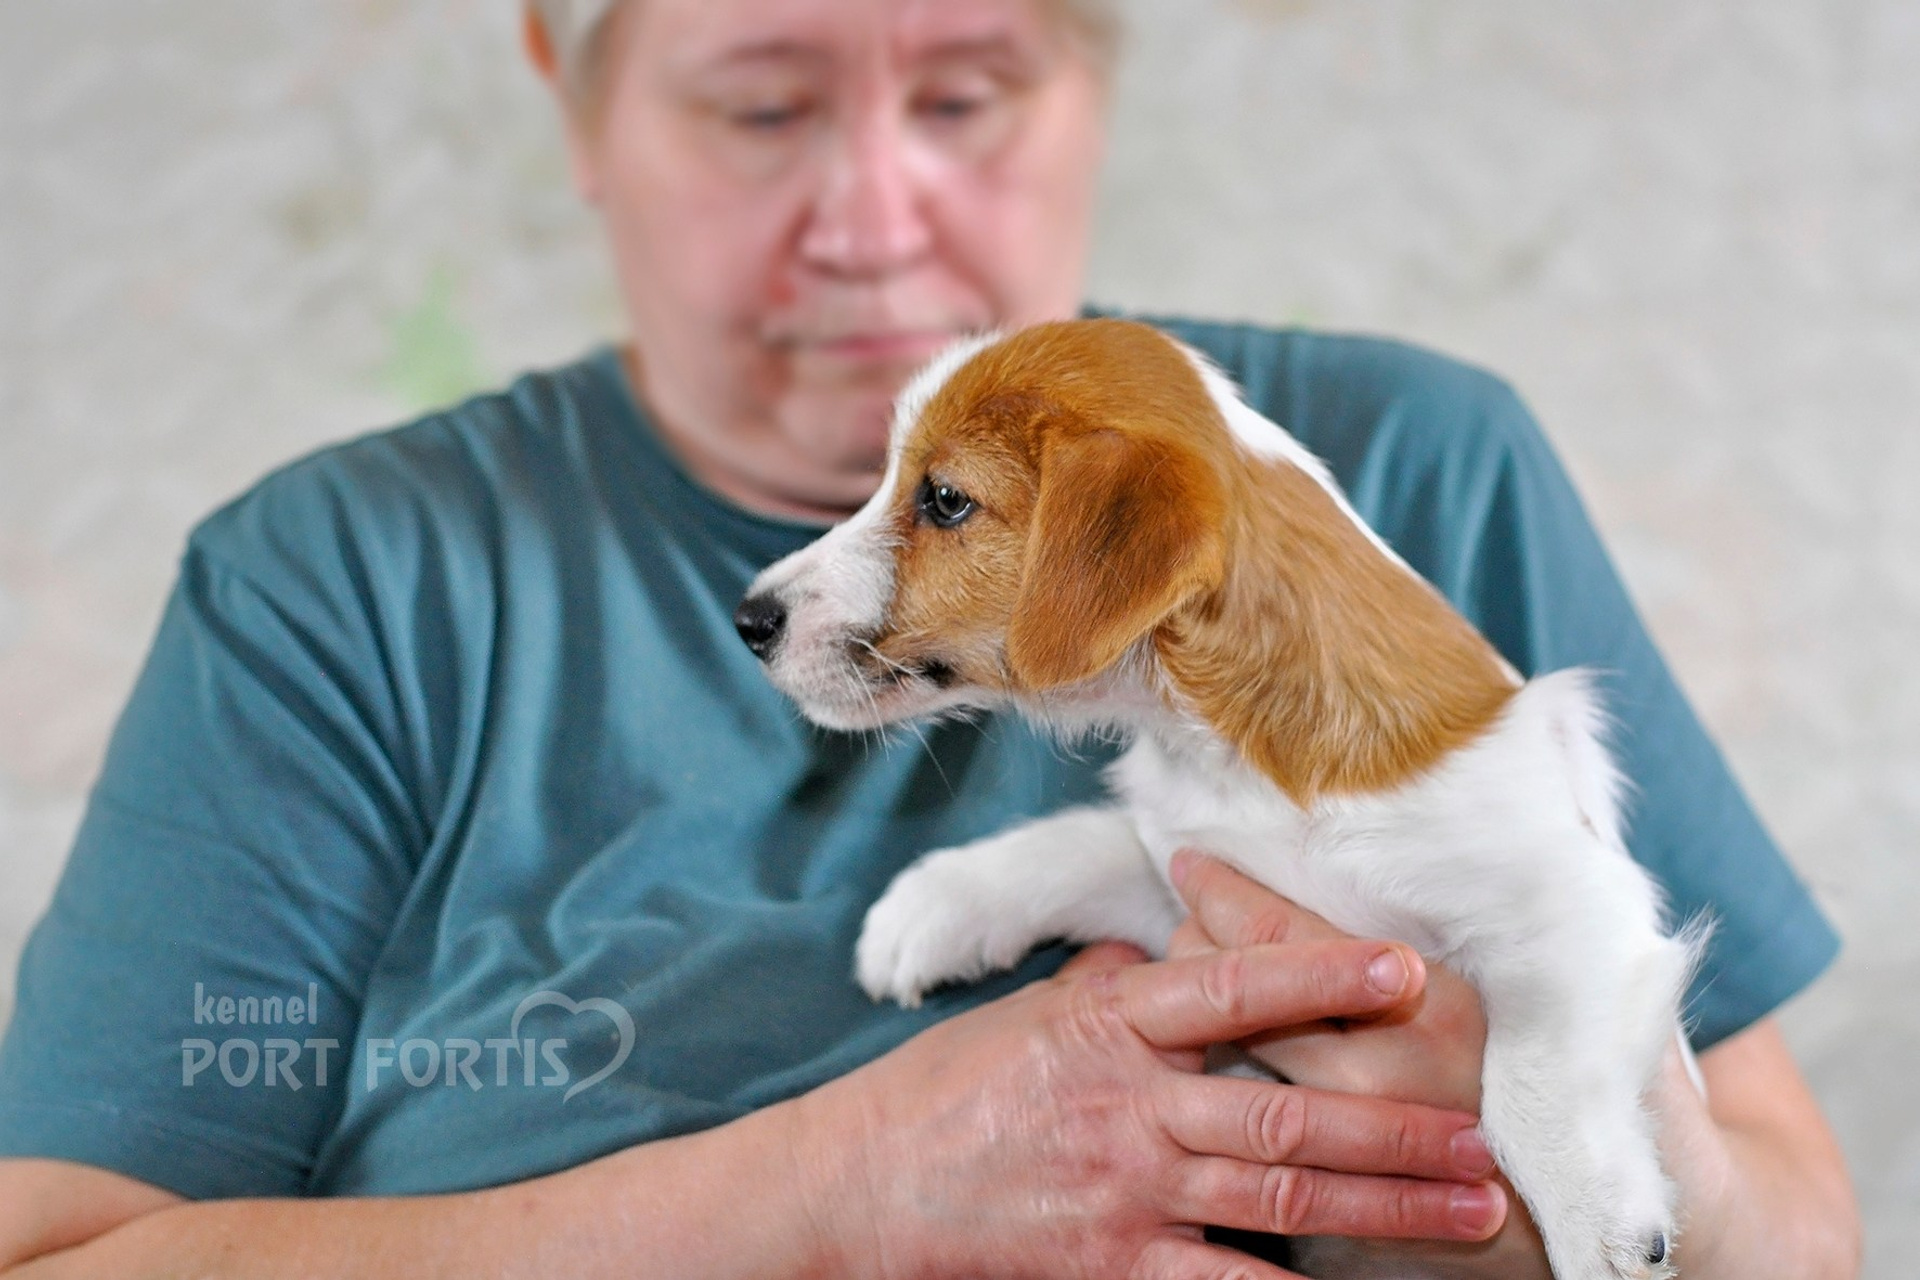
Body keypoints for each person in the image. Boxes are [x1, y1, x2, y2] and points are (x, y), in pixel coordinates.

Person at [0, 0, 1861, 1275]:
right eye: (761, 106)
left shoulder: (1405, 477)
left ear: (1093, 91)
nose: (873, 221)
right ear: (573, 94)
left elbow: (1796, 1224)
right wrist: (831, 1191)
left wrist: (1579, 1169)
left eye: (966, 97)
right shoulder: (336, 587)